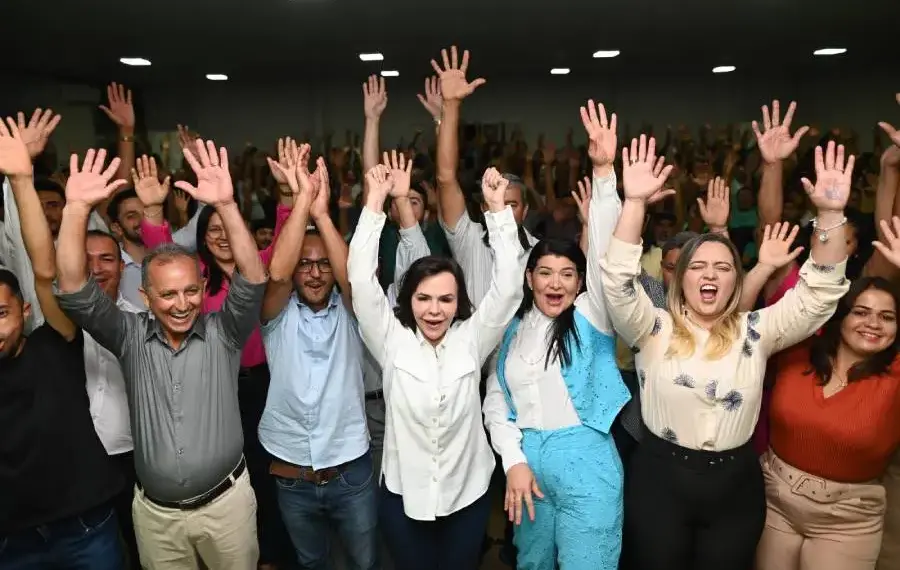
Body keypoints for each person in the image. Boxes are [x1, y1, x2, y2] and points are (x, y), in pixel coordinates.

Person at [599, 135, 852, 570]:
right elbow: (617, 282)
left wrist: (829, 214)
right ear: (679, 279)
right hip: (660, 480)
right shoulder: (653, 326)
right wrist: (634, 203)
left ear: (737, 279)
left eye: (723, 266)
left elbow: (818, 296)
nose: (709, 274)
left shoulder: (756, 330)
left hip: (735, 485)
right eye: (697, 266)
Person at [54, 140, 268, 570]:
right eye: (167, 294)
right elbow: (75, 291)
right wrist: (75, 209)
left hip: (226, 508)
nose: (182, 303)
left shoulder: (222, 332)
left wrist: (226, 204)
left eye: (191, 291)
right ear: (145, 297)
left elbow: (253, 277)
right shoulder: (128, 334)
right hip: (157, 518)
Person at [347, 161, 523, 570]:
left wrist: (497, 213)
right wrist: (374, 203)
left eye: (445, 300)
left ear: (458, 302)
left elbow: (510, 286)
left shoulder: (472, 338)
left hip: (468, 497)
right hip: (403, 498)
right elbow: (359, 280)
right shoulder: (390, 340)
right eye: (424, 298)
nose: (434, 310)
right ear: (408, 300)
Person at [482, 99, 631, 570]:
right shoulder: (511, 332)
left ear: (581, 283)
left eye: (567, 274)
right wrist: (514, 462)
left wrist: (604, 172)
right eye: (544, 272)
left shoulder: (592, 315)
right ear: (530, 279)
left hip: (587, 463)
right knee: (531, 565)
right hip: (529, 469)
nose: (555, 283)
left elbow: (606, 248)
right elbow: (494, 405)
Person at [135, 150, 294, 569]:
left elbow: (283, 242)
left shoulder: (255, 268)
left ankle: (261, 552)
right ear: (202, 238)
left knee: (262, 472)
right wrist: (153, 210)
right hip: (210, 391)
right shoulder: (195, 282)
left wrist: (287, 196)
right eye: (214, 230)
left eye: (230, 228)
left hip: (259, 382)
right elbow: (161, 259)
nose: (223, 236)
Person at [0, 119, 125, 569]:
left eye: (1, 314)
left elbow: (45, 269)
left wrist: (19, 179)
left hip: (83, 529)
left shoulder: (55, 343)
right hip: (13, 540)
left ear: (26, 311)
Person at [754, 216, 900, 570]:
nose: (873, 323)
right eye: (862, 312)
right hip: (773, 502)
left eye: (887, 317)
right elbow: (739, 324)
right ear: (842, 317)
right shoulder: (799, 350)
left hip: (849, 520)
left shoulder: (895, 374)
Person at [258, 145, 378, 570]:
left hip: (351, 470)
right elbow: (275, 272)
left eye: (323, 264)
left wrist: (323, 215)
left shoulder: (351, 313)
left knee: (364, 563)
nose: (313, 272)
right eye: (305, 264)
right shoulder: (275, 313)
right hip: (292, 474)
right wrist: (300, 202)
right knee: (311, 564)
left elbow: (354, 281)